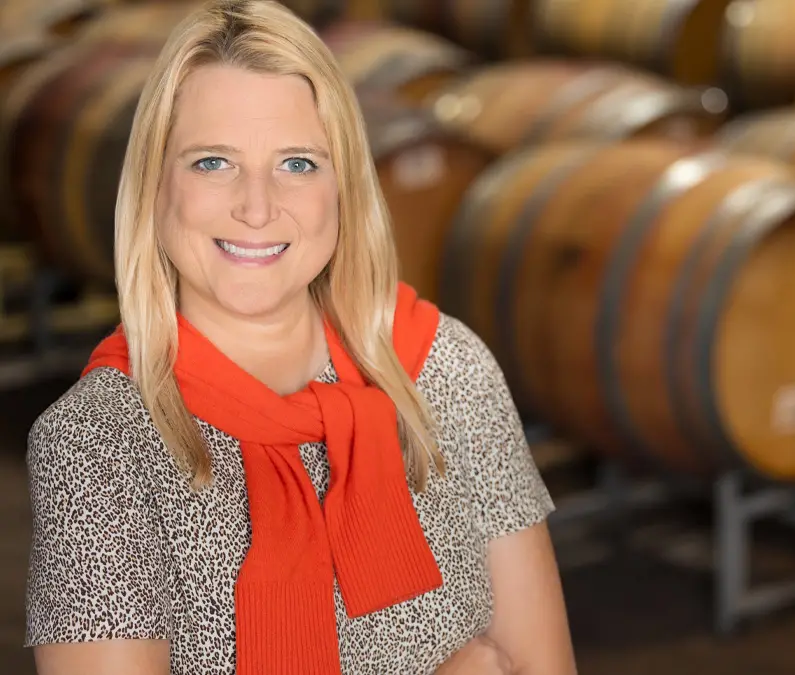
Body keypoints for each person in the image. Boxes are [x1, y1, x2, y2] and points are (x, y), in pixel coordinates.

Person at [23, 1, 577, 673]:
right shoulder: (99, 444)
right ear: (153, 187)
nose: (257, 207)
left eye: (297, 164)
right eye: (212, 162)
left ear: (344, 187)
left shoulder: (444, 369)